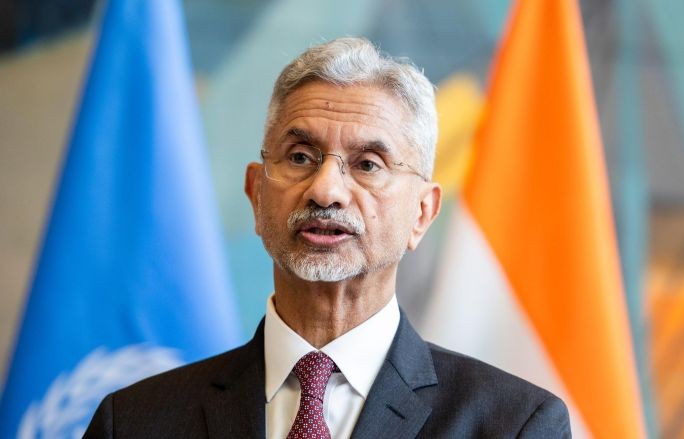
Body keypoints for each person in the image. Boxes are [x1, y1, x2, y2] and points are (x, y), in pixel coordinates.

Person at [85, 37, 570, 438]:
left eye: (368, 165)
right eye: (300, 157)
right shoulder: (132, 423)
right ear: (256, 193)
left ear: (422, 213)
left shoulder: (513, 425)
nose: (325, 190)